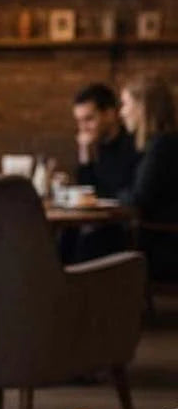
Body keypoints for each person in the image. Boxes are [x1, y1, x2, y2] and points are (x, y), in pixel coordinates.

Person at [62, 82, 140, 263]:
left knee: (85, 242)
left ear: (110, 114)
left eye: (89, 119)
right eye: (79, 121)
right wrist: (85, 156)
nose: (83, 128)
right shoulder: (97, 147)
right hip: (102, 221)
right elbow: (87, 193)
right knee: (64, 237)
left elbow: (118, 190)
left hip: (126, 227)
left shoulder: (133, 144)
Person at [119, 74, 178, 281]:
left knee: (95, 241)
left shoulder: (161, 147)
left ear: (142, 107)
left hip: (163, 247)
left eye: (125, 104)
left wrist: (118, 196)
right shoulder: (162, 144)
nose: (122, 112)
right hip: (160, 240)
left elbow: (138, 198)